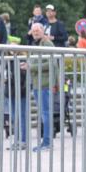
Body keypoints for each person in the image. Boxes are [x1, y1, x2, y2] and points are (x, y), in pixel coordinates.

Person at [23, 23, 55, 151]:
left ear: (43, 31)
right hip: (38, 83)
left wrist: (32, 67)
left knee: (46, 114)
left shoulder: (46, 43)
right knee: (43, 114)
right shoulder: (37, 43)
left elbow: (52, 62)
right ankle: (45, 142)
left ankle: (47, 143)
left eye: (38, 30)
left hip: (45, 83)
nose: (35, 32)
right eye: (33, 30)